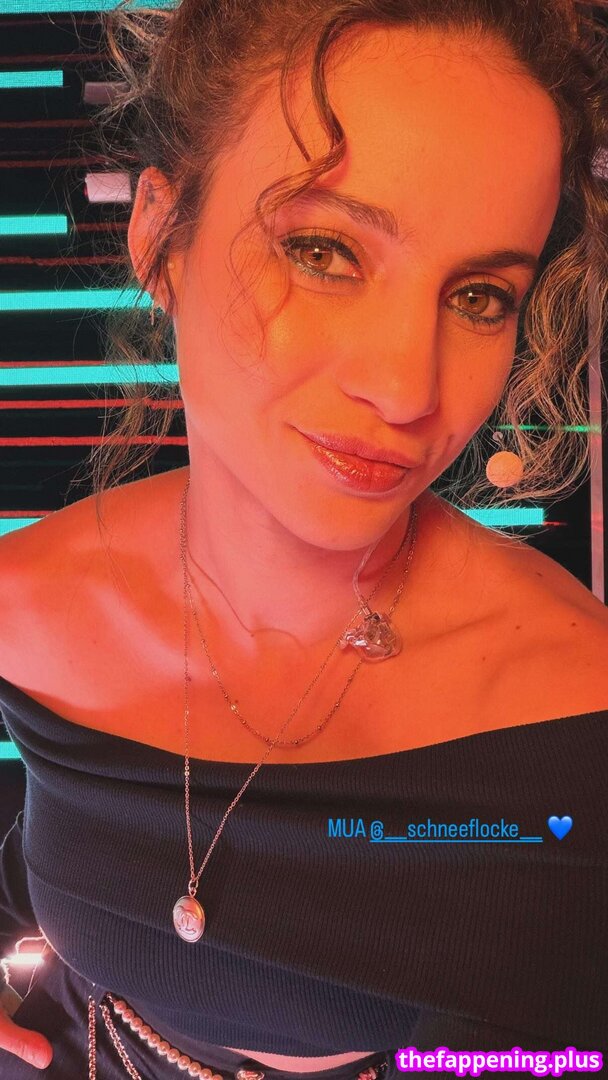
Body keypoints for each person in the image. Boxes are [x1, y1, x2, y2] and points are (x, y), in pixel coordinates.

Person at [1, 0, 608, 1075]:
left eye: (478, 296)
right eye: (324, 251)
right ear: (158, 233)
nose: (407, 388)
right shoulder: (27, 603)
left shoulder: (572, 714)